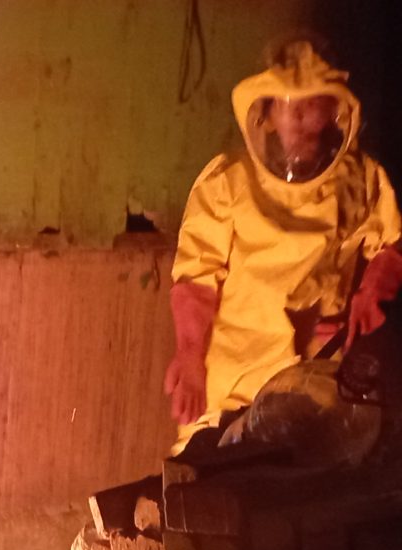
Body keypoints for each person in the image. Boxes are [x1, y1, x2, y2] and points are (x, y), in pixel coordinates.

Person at [164, 37, 402, 447]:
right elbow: (196, 277)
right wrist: (189, 356)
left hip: (315, 373)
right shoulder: (228, 183)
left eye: (312, 103)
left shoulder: (360, 181)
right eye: (288, 103)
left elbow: (389, 243)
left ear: (333, 110)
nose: (299, 114)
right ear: (268, 112)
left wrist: (371, 294)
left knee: (300, 485)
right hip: (233, 374)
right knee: (204, 477)